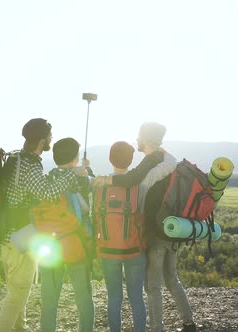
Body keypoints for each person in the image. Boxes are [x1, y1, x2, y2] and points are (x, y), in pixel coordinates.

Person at [93, 122, 197, 332]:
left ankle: (157, 328)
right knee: (171, 277)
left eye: (139, 136)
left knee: (152, 286)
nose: (137, 139)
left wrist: (106, 180)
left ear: (146, 139)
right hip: (173, 228)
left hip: (156, 233)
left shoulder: (151, 162)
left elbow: (132, 178)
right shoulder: (166, 159)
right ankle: (188, 321)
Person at [0, 119, 87, 332]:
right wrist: (72, 174)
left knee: (18, 291)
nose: (51, 139)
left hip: (8, 238)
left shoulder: (17, 159)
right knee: (17, 296)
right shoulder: (29, 164)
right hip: (19, 239)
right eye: (50, 136)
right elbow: (49, 193)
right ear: (42, 140)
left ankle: (21, 328)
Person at [38, 137, 95, 332]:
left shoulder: (48, 179)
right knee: (83, 297)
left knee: (49, 301)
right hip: (77, 244)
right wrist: (88, 171)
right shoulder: (80, 178)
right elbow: (92, 187)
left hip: (51, 244)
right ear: (75, 158)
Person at [100, 141, 147, 332]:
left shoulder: (100, 186)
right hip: (134, 249)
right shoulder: (139, 186)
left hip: (107, 248)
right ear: (131, 160)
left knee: (114, 297)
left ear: (110, 159)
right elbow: (143, 215)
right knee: (136, 297)